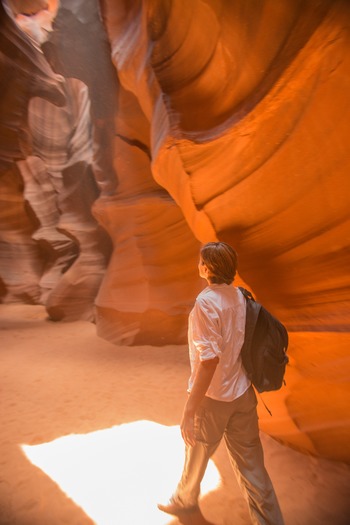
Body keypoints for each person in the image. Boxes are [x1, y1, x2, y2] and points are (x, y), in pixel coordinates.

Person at [158, 241, 284, 524]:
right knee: (253, 467)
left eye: (201, 260)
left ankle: (184, 500)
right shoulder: (240, 296)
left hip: (214, 399)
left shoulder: (205, 303)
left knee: (196, 453)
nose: (198, 264)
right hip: (242, 393)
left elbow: (209, 361)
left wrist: (190, 409)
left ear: (207, 267)